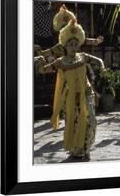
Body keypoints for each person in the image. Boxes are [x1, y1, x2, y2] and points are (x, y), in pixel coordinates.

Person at [35, 18, 105, 161]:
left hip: (87, 94)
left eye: (75, 44)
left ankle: (86, 147)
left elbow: (98, 61)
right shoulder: (60, 62)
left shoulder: (83, 57)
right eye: (70, 45)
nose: (73, 47)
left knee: (91, 122)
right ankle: (77, 151)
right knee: (73, 124)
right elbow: (44, 70)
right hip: (71, 98)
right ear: (65, 46)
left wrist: (102, 67)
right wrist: (39, 62)